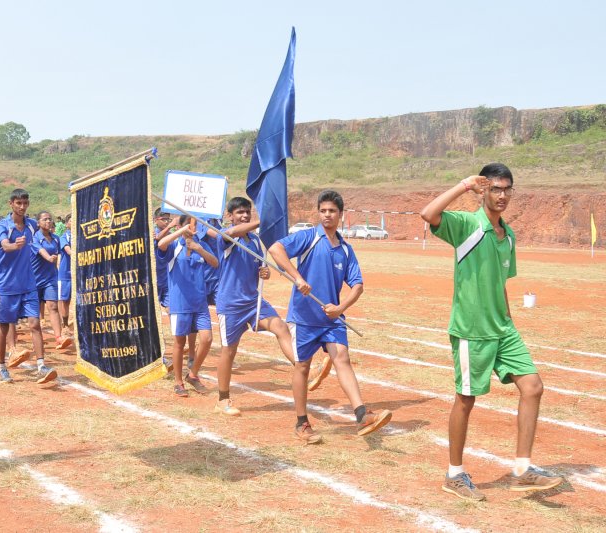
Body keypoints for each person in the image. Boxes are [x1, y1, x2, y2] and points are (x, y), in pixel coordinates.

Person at [420, 163, 563, 501]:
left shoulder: (508, 236)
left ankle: (522, 469)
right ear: (483, 190)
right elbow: (428, 214)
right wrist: (464, 184)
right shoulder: (467, 225)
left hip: (503, 329)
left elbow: (500, 285)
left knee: (533, 387)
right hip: (472, 330)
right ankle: (454, 474)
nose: (502, 195)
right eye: (495, 189)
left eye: (506, 189)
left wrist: (509, 321)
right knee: (466, 399)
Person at [269, 190, 392, 444]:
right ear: (318, 213)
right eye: (323, 211)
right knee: (302, 366)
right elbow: (275, 249)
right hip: (304, 317)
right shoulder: (308, 237)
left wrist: (340, 307)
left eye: (332, 211)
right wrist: (297, 277)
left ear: (340, 214)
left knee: (342, 358)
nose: (327, 215)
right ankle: (302, 423)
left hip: (332, 319)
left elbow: (357, 286)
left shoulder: (345, 250)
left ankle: (361, 414)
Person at [213, 197, 297, 416]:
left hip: (253, 301)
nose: (244, 215)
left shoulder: (257, 242)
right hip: (231, 305)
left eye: (247, 212)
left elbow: (260, 269)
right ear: (229, 216)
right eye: (239, 212)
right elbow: (233, 233)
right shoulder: (226, 237)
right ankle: (222, 399)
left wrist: (265, 273)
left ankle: (302, 367)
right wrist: (263, 222)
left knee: (281, 327)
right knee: (229, 351)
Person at [0, 188, 57, 385]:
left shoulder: (31, 225)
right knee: (4, 327)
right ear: (11, 204)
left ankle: (41, 365)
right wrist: (16, 245)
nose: (22, 207)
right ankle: (2, 367)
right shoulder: (2, 225)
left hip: (29, 284)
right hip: (7, 285)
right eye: (18, 203)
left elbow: (45, 230)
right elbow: (5, 246)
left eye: (25, 203)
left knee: (35, 324)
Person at [156, 215, 218, 397]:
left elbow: (215, 263)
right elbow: (161, 244)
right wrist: (181, 231)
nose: (193, 228)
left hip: (200, 303)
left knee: (207, 339)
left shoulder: (201, 245)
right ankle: (178, 382)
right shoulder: (174, 246)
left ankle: (192, 374)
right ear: (182, 227)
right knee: (179, 342)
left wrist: (198, 248)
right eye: (190, 225)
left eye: (195, 225)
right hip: (180, 304)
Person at [32, 211, 71, 350]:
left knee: (53, 306)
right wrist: (49, 258)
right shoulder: (34, 238)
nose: (48, 221)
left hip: (50, 278)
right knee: (35, 311)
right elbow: (41, 251)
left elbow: (63, 252)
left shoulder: (56, 238)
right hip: (34, 279)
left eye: (50, 219)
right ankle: (36, 338)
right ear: (38, 223)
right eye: (45, 219)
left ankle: (59, 338)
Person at [57, 214, 72, 335]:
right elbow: (68, 250)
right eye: (71, 221)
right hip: (65, 273)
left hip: (78, 274)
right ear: (67, 224)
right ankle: (65, 324)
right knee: (65, 300)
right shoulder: (64, 237)